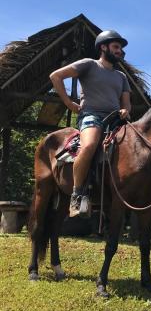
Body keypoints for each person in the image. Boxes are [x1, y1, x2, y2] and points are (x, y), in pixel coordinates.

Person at [50, 30, 132, 217]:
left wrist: (125, 110)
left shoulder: (122, 77)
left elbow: (126, 103)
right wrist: (69, 103)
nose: (121, 51)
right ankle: (77, 195)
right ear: (103, 47)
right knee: (89, 145)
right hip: (92, 115)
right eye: (116, 47)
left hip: (115, 120)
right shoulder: (89, 64)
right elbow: (56, 76)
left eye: (121, 48)